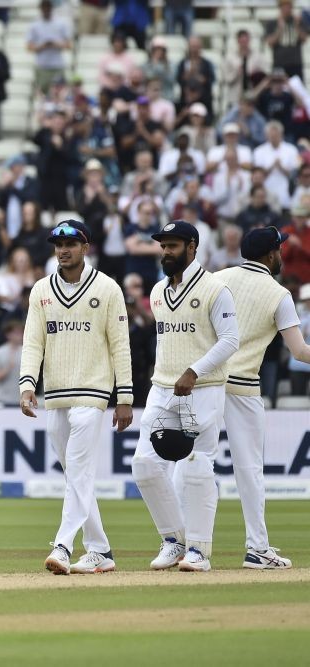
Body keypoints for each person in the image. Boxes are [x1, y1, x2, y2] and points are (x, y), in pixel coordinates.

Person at [19, 220, 134, 575]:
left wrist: (125, 395)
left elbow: (120, 344)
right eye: (58, 243)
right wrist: (27, 385)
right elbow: (33, 341)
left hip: (93, 392)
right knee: (76, 476)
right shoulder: (41, 289)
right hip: (54, 394)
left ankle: (63, 545)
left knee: (80, 472)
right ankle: (100, 550)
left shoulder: (108, 288)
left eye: (70, 243)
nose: (63, 249)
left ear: (86, 247)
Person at [131, 220, 239, 573]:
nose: (165, 252)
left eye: (172, 246)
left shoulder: (215, 288)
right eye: (163, 246)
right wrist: (171, 378)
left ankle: (199, 550)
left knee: (197, 465)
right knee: (144, 465)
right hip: (162, 388)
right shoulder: (158, 292)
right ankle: (173, 540)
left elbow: (229, 340)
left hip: (204, 389)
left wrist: (194, 372)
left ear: (192, 246)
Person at [218, 228, 310, 568]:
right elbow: (299, 352)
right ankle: (257, 549)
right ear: (271, 254)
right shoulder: (278, 293)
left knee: (193, 462)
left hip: (206, 381)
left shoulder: (217, 278)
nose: (281, 255)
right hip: (242, 387)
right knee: (249, 470)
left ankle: (184, 545)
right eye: (279, 249)